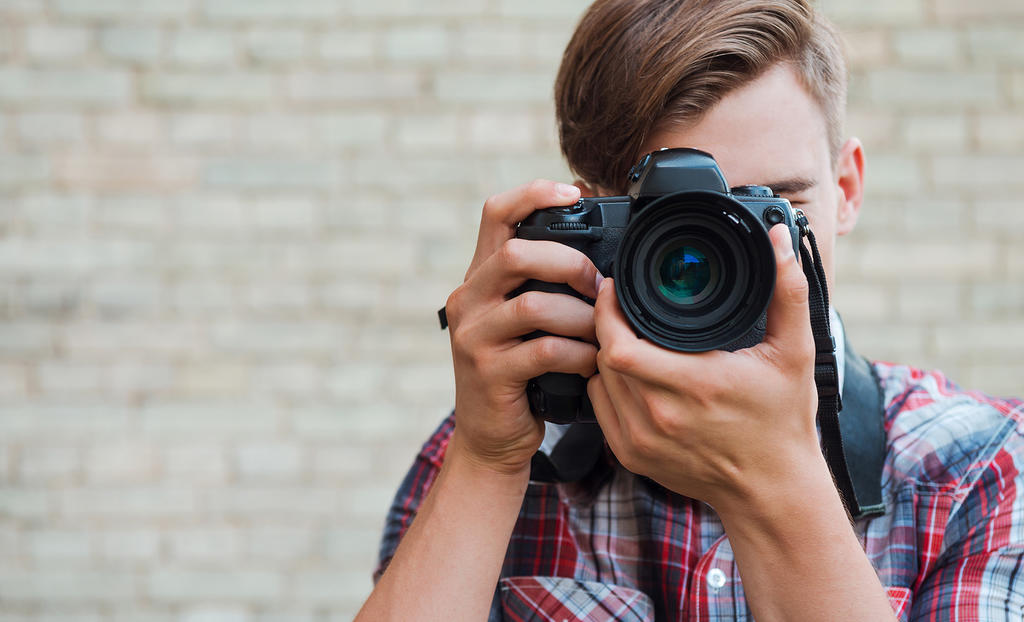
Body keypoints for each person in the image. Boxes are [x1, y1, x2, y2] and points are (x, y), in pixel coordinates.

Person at [356, 0, 1024, 620]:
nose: (730, 262)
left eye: (774, 211)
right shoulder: (505, 444)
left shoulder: (976, 468)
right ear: (594, 222)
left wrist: (776, 481)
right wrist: (487, 459)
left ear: (846, 190)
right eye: (678, 228)